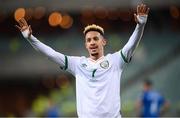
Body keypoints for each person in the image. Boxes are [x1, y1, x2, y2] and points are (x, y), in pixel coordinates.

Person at [16, 4, 149, 118]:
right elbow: (51, 54)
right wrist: (30, 38)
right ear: (86, 45)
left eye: (95, 39)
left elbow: (131, 45)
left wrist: (140, 26)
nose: (92, 42)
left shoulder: (115, 60)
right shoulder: (77, 64)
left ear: (103, 41)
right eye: (88, 40)